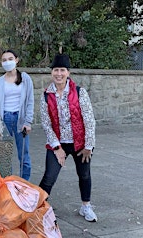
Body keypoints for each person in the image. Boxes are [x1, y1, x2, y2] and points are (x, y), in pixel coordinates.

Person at [38, 53, 97, 222]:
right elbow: (46, 124)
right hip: (58, 143)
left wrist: (89, 146)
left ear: (68, 72)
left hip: (80, 144)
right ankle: (38, 210)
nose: (59, 74)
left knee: (84, 174)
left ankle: (86, 206)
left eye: (62, 70)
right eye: (56, 70)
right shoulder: (46, 95)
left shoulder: (80, 92)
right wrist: (57, 148)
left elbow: (89, 119)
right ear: (52, 73)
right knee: (49, 176)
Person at [0, 49, 34, 180]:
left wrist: (28, 122)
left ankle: (24, 183)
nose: (7, 62)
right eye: (4, 60)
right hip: (5, 119)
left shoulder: (25, 79)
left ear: (16, 60)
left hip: (20, 120)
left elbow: (30, 101)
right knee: (4, 155)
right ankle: (7, 184)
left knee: (24, 155)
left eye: (10, 59)